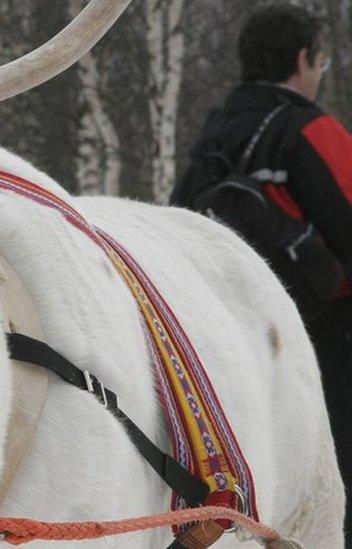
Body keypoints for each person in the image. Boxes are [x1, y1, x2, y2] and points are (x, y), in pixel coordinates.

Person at [171, 3, 351, 543]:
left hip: (219, 347)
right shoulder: (309, 129)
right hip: (326, 339)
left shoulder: (213, 135)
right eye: (319, 62)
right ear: (303, 60)